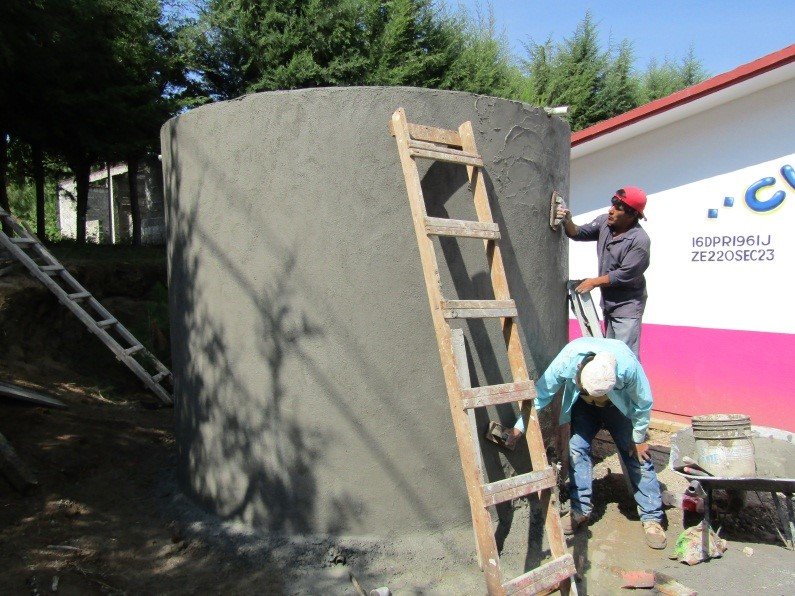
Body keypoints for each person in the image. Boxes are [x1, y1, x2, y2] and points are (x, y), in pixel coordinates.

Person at [505, 336, 667, 549]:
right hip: (584, 406)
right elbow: (542, 394)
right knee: (576, 449)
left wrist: (638, 438)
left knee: (637, 453)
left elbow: (643, 402)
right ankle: (580, 510)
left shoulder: (627, 366)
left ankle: (652, 518)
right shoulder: (568, 360)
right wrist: (519, 428)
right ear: (580, 370)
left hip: (618, 408)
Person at [559, 187, 650, 358]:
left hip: (628, 307)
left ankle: (627, 385)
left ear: (631, 215)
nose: (611, 210)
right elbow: (578, 233)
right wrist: (566, 220)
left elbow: (625, 274)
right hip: (609, 303)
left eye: (618, 208)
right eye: (612, 205)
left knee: (623, 357)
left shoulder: (639, 241)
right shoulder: (605, 223)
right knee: (609, 354)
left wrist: (594, 282)